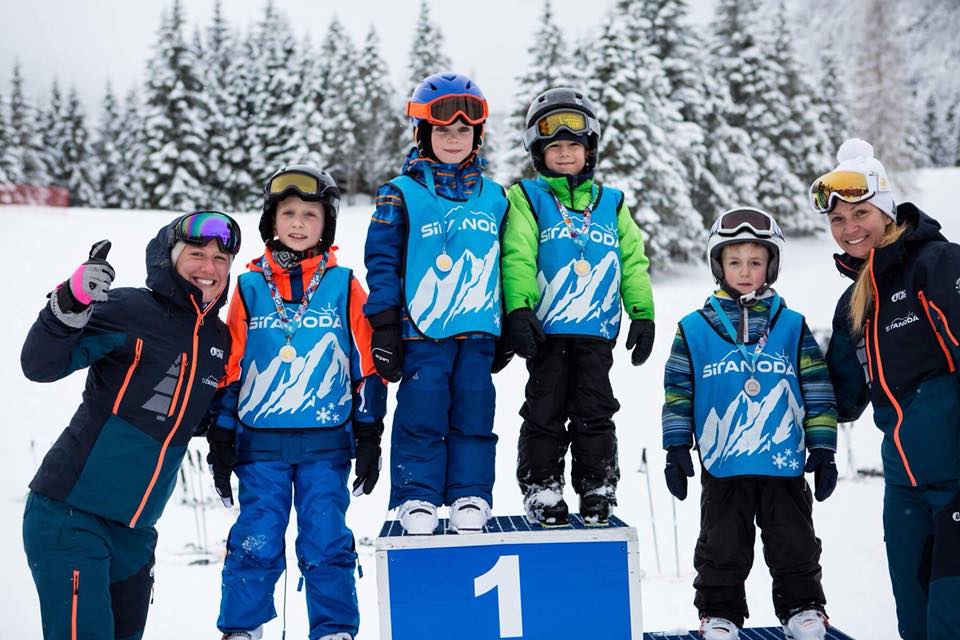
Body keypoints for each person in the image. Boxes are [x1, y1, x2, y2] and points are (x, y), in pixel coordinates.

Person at [21, 211, 242, 640]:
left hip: (136, 534)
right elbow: (39, 364)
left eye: (221, 258)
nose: (209, 267)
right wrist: (69, 303)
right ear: (169, 256)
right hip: (72, 514)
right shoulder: (129, 309)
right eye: (196, 254)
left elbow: (192, 415)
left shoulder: (218, 339)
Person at [207, 166, 386, 640]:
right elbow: (232, 366)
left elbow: (366, 364)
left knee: (326, 538)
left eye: (311, 214)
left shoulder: (345, 284)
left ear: (327, 224)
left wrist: (370, 432)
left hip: (326, 443)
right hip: (259, 444)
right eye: (288, 213)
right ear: (272, 220)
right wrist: (221, 435)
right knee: (256, 538)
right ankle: (243, 628)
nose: (299, 223)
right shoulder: (247, 288)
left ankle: (334, 629)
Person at [661, 207, 837, 640]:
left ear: (770, 266)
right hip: (724, 460)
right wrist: (676, 445)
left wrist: (823, 448)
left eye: (755, 262)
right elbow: (678, 390)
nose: (745, 271)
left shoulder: (792, 326)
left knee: (794, 541)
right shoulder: (693, 329)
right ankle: (719, 614)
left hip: (782, 460)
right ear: (718, 265)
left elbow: (816, 386)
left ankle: (803, 607)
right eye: (735, 261)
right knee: (721, 544)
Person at [815, 138, 960, 639]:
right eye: (837, 220)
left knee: (949, 623)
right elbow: (840, 398)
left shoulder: (937, 264)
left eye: (860, 213)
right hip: (904, 490)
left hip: (955, 481)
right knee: (914, 626)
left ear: (886, 211)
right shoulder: (853, 304)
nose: (849, 228)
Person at [500, 87, 655, 526]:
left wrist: (642, 313)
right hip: (547, 332)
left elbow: (633, 260)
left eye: (573, 145)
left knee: (595, 412)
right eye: (554, 147)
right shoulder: (527, 198)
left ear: (590, 150)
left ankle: (598, 486)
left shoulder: (612, 203)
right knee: (544, 411)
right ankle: (542, 487)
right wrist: (518, 309)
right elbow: (517, 255)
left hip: (595, 331)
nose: (565, 153)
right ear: (538, 152)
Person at [363, 72, 509, 535]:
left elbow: (506, 262)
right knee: (421, 412)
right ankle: (418, 495)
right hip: (421, 328)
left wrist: (508, 320)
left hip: (478, 329)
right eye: (442, 130)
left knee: (474, 412)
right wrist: (384, 323)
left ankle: (471, 493)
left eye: (463, 130)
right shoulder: (399, 192)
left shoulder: (496, 196)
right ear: (422, 133)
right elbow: (382, 260)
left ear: (477, 135)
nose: (453, 138)